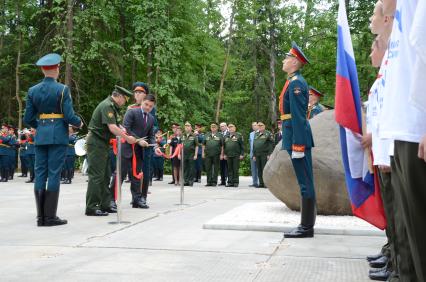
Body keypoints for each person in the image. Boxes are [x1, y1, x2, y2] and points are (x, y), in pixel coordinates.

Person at [23, 53, 82, 226]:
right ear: (57, 69)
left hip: (41, 135)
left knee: (40, 171)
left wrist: (40, 125)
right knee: (54, 173)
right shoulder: (62, 89)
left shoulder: (32, 90)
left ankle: (41, 217)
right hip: (58, 135)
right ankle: (50, 217)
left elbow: (28, 118)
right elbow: (69, 115)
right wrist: (78, 123)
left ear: (43, 69)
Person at [279, 42, 316, 238]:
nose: (283, 61)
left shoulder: (297, 83)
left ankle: (306, 227)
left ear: (294, 61)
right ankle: (306, 225)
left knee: (305, 183)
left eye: (286, 58)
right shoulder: (293, 81)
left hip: (297, 138)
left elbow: (299, 117)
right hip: (294, 135)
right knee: (304, 181)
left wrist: (298, 144)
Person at [85, 85, 136, 216]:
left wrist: (123, 130)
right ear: (118, 96)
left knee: (106, 175)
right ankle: (92, 206)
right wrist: (126, 137)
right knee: (96, 176)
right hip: (96, 143)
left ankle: (105, 204)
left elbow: (116, 125)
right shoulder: (107, 106)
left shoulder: (113, 107)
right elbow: (112, 127)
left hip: (103, 143)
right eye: (124, 99)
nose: (124, 102)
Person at [120, 94, 156, 208]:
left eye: (150, 106)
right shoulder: (132, 112)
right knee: (120, 175)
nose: (147, 108)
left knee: (136, 176)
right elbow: (126, 129)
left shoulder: (151, 118)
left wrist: (154, 145)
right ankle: (111, 199)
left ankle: (136, 200)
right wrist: (138, 140)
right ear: (142, 101)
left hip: (139, 151)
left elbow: (151, 135)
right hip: (126, 147)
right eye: (146, 104)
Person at [253, 122, 274, 188]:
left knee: (264, 169)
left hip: (264, 154)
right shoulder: (256, 134)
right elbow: (254, 145)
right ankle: (261, 183)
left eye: (261, 125)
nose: (260, 126)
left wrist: (269, 154)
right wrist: (254, 155)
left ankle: (266, 183)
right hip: (257, 154)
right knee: (259, 169)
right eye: (258, 126)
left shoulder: (268, 133)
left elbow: (271, 144)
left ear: (264, 126)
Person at [181, 122, 198, 186]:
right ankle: (186, 181)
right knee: (185, 168)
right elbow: (179, 145)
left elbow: (196, 145)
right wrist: (179, 154)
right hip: (184, 154)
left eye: (188, 126)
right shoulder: (182, 135)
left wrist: (196, 154)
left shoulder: (193, 135)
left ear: (191, 128)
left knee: (191, 168)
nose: (187, 127)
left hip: (191, 154)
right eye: (186, 126)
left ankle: (191, 181)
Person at [248, 122, 259, 187]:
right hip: (252, 154)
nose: (254, 127)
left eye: (255, 125)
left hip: (258, 154)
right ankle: (254, 182)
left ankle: (261, 182)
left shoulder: (260, 133)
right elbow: (250, 144)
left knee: (259, 169)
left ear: (258, 126)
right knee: (253, 169)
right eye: (252, 126)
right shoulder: (251, 134)